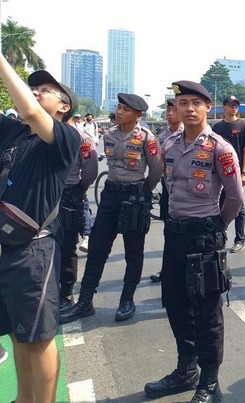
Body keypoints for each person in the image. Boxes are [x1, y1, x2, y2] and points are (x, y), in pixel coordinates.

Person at [144, 81, 243, 403]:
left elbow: (235, 197)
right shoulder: (168, 143)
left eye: (195, 103)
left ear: (207, 107)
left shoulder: (219, 147)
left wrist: (217, 226)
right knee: (175, 303)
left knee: (207, 313)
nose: (188, 108)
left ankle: (209, 382)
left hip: (204, 236)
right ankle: (186, 370)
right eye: (182, 102)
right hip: (175, 234)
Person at [0, 65, 80, 403]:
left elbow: (30, 111)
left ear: (63, 106)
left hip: (35, 249)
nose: (34, 93)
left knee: (40, 337)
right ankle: (23, 397)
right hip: (7, 247)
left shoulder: (64, 137)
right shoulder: (16, 134)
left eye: (44, 90)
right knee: (20, 334)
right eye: (32, 88)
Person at [61, 93, 162, 324]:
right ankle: (85, 301)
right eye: (118, 107)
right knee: (97, 247)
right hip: (110, 195)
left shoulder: (148, 138)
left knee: (133, 251)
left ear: (137, 116)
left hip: (135, 194)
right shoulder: (108, 134)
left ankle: (127, 300)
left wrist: (144, 191)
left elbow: (156, 170)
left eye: (125, 109)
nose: (119, 112)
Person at [59, 119, 99, 313]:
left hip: (68, 193)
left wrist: (78, 190)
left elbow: (90, 171)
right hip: (43, 195)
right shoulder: (36, 132)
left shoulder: (81, 138)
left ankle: (65, 293)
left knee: (66, 246)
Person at [149, 97, 184, 283]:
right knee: (169, 232)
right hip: (168, 191)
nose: (170, 113)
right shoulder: (162, 137)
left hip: (188, 193)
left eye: (174, 110)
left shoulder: (189, 133)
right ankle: (167, 271)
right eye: (168, 110)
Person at [212, 95, 245, 253]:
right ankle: (222, 233)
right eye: (230, 104)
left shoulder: (243, 126)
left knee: (238, 206)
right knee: (220, 203)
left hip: (236, 173)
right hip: (219, 172)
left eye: (236, 104)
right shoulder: (217, 128)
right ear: (224, 107)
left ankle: (239, 239)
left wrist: (244, 172)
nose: (234, 107)